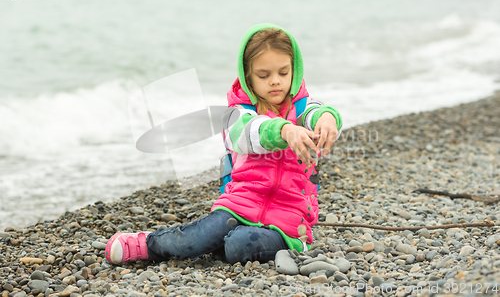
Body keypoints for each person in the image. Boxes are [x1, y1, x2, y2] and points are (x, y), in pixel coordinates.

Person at [105, 23, 343, 265]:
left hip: (288, 223)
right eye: (264, 75)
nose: (275, 82)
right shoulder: (237, 114)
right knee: (198, 236)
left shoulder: (303, 109)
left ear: (295, 70)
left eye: (283, 73)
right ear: (248, 77)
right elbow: (248, 133)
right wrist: (284, 130)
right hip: (238, 205)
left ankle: (228, 244)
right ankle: (148, 245)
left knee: (240, 244)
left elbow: (320, 112)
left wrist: (327, 119)